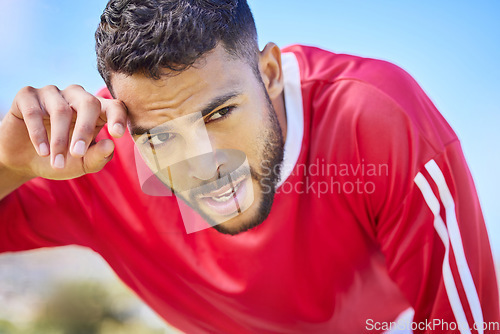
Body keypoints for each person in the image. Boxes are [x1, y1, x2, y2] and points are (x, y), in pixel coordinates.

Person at [0, 0, 498, 333]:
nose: (204, 166)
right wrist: (8, 164)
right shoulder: (92, 158)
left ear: (271, 72)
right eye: (162, 136)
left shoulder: (379, 120)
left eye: (218, 114)